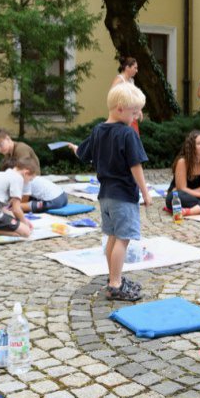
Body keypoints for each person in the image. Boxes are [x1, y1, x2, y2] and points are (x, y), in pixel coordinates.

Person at [76, 82, 150, 301]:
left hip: (105, 195)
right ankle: (116, 283)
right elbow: (135, 166)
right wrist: (145, 193)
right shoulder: (127, 134)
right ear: (120, 108)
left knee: (113, 237)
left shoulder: (98, 130)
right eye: (134, 112)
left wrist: (74, 148)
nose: (136, 117)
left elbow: (83, 153)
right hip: (123, 196)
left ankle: (112, 278)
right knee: (123, 240)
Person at [110, 56, 142, 134]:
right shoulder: (119, 79)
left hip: (131, 115)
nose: (136, 70)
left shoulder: (131, 80)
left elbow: (134, 97)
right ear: (127, 67)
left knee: (134, 137)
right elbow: (111, 97)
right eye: (135, 68)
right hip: (122, 116)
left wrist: (139, 109)